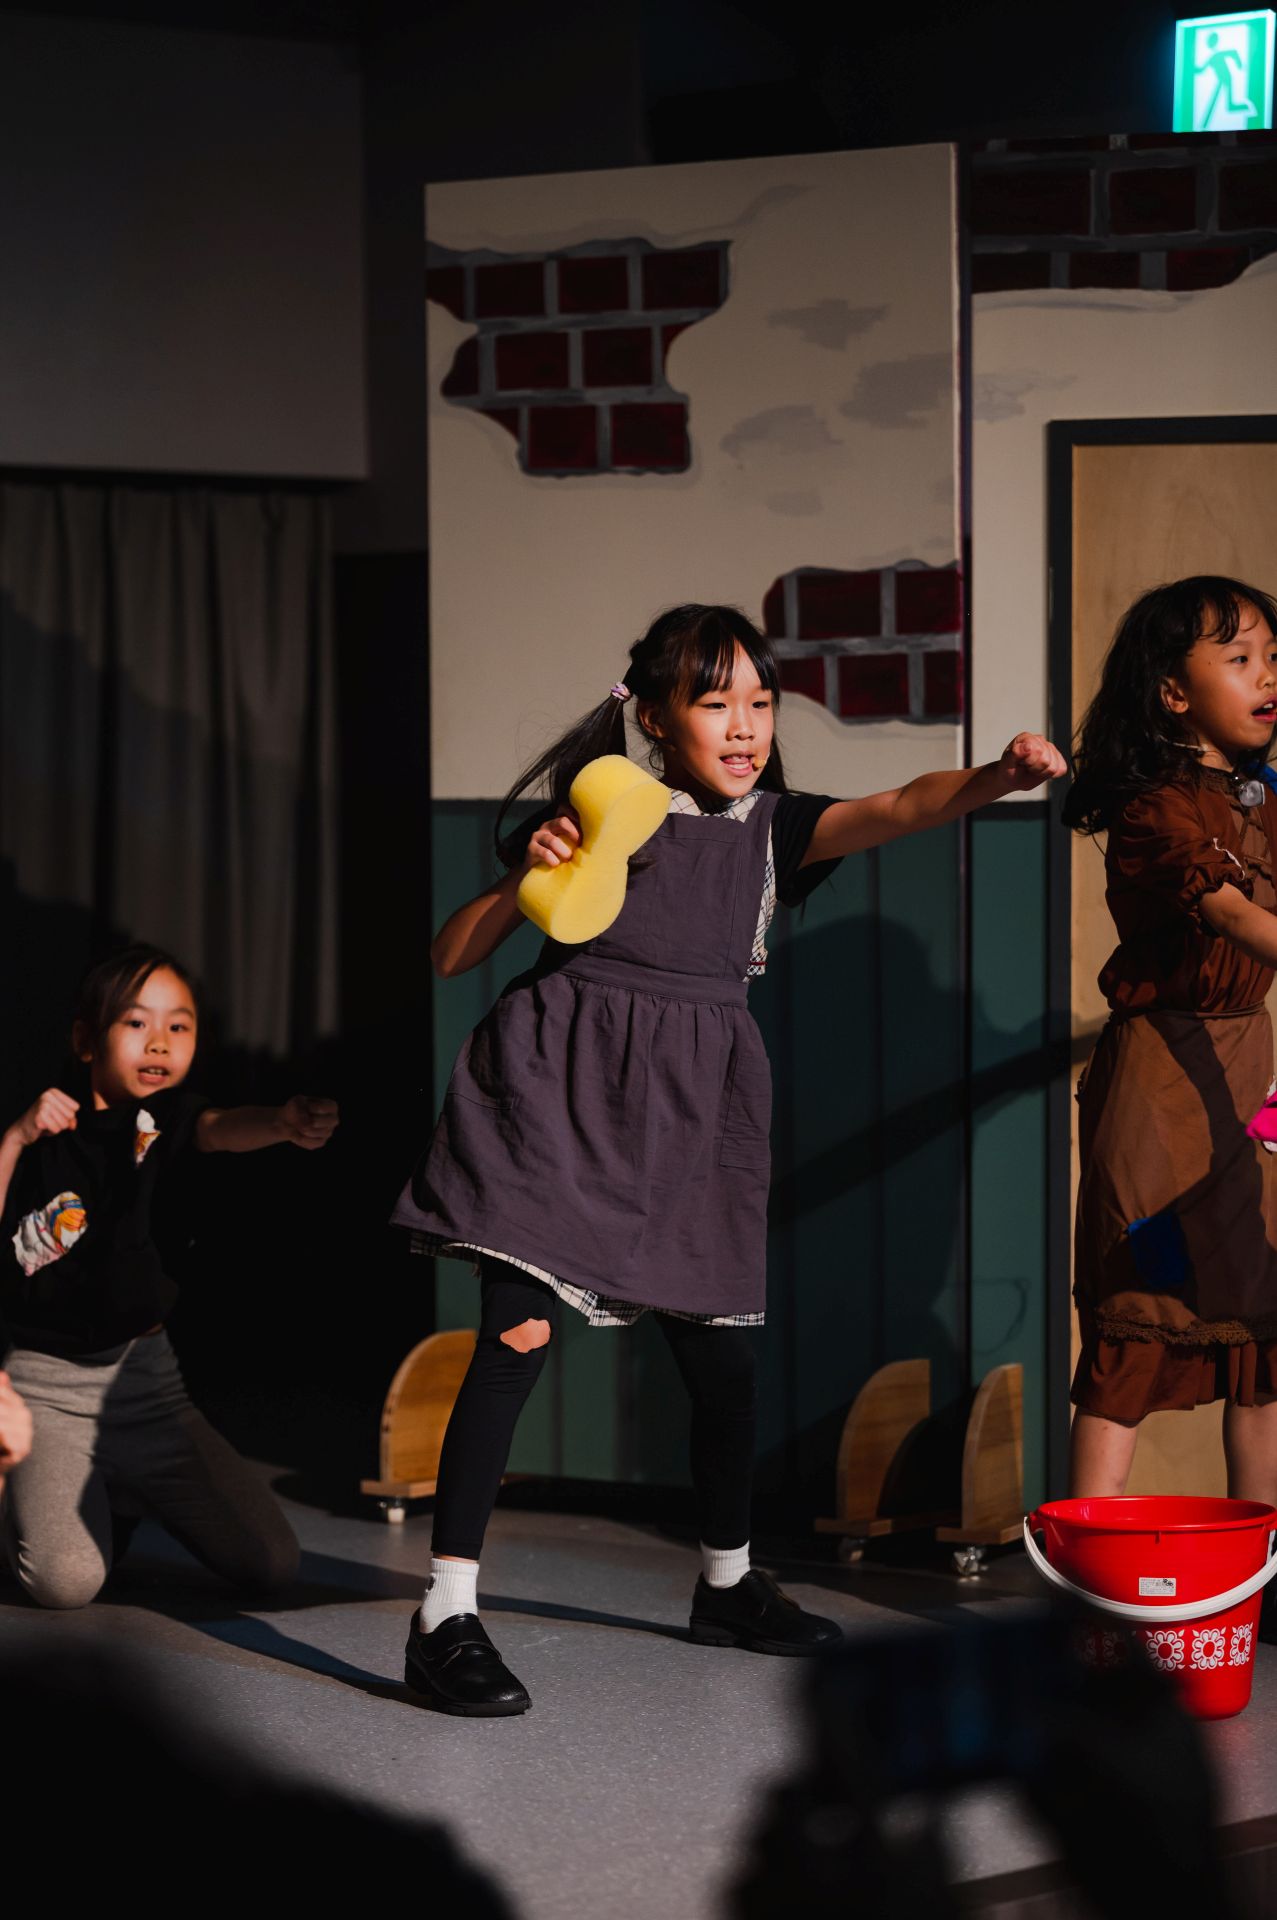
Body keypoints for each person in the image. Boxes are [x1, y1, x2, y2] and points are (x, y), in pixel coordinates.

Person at [393, 603, 1064, 1715]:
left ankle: (727, 1586)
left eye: (761, 702)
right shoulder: (604, 809)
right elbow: (452, 953)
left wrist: (999, 775)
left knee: (725, 1370)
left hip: (695, 1110)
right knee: (515, 1336)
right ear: (656, 717)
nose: (745, 725)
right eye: (716, 703)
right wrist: (528, 874)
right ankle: (443, 1615)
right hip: (558, 1095)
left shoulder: (774, 830)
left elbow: (903, 803)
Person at [0, 943, 339, 1607]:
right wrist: (14, 1138)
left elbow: (219, 1128)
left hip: (148, 1390)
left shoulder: (168, 1120)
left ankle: (119, 1493)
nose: (159, 1041)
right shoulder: (40, 1127)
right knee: (65, 1584)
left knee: (270, 1563)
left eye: (178, 1026)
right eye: (136, 1022)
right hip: (45, 1394)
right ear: (86, 1040)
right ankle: (32, 1492)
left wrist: (280, 1123)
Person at [1064, 576, 1277, 1499]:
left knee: (1261, 1329)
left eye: (1272, 657)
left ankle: (1259, 1560)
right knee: (1137, 1321)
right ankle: (1087, 1562)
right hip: (1159, 1089)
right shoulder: (1154, 803)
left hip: (1244, 1076)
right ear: (1172, 691)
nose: (1266, 675)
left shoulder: (1264, 795)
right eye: (1238, 658)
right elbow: (1228, 913)